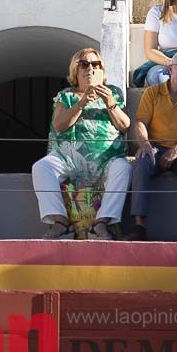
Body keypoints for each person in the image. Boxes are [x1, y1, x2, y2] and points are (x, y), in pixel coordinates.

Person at [32, 48, 131, 240]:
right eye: (84, 64)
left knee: (123, 168)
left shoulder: (113, 93)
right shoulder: (66, 95)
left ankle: (101, 224)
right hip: (70, 159)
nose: (90, 69)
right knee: (41, 167)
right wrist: (82, 103)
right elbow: (60, 125)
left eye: (96, 64)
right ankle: (60, 223)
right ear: (75, 71)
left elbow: (125, 126)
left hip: (106, 160)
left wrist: (110, 102)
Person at [126, 51, 177, 242]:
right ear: (170, 69)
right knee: (142, 160)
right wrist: (144, 144)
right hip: (155, 147)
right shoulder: (152, 93)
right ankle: (139, 226)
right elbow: (140, 122)